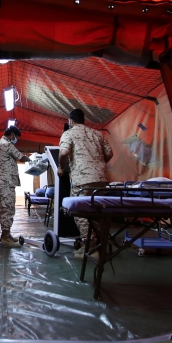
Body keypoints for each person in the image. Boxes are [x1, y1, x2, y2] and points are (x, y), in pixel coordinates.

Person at [58, 108, 113, 258]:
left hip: (82, 180)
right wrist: (98, 164)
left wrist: (61, 167)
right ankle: (102, 244)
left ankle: (90, 247)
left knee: (79, 212)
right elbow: (109, 153)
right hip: (101, 179)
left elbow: (64, 152)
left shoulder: (69, 133)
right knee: (97, 212)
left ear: (71, 121)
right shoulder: (97, 134)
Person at [0, 125, 29, 248]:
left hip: (1, 181)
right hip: (6, 182)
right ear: (12, 134)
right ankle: (5, 238)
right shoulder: (7, 144)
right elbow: (21, 157)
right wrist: (34, 160)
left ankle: (6, 235)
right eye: (16, 137)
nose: (16, 139)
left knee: (4, 208)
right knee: (7, 209)